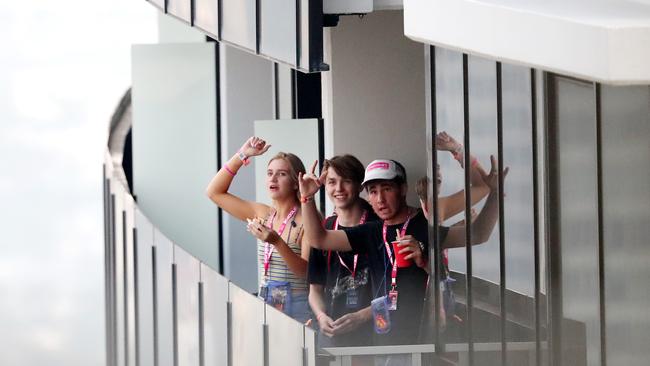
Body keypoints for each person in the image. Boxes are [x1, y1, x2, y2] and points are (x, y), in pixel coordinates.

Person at [298, 158, 505, 363]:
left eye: (386, 189)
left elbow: (478, 234)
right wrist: (306, 199)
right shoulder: (374, 230)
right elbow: (319, 239)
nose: (380, 199)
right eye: (373, 191)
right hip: (381, 341)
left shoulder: (423, 226)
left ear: (403, 189)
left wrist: (495, 194)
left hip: (422, 342)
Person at [205, 136, 311, 322]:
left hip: (297, 304)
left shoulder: (307, 219)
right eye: (269, 173)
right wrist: (242, 155)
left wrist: (277, 241)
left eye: (282, 174)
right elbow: (214, 192)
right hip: (266, 301)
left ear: (296, 182)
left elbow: (305, 271)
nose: (273, 178)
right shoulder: (264, 214)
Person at [308, 155, 379, 352]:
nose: (338, 189)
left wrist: (362, 316)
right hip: (333, 335)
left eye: (346, 181)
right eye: (332, 182)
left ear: (359, 186)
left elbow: (397, 289)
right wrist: (321, 317)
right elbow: (314, 290)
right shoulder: (324, 230)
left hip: (374, 335)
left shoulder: (378, 226)